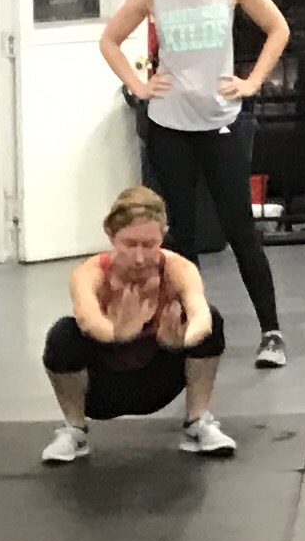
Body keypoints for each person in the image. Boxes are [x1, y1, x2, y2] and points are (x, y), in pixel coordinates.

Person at [98, 0, 292, 369]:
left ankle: (271, 332)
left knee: (239, 229)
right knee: (180, 234)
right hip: (170, 125)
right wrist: (139, 86)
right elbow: (110, 40)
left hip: (220, 122)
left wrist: (251, 82)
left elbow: (278, 29)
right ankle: (191, 327)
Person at [39, 186, 233, 463]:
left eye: (149, 244)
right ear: (110, 235)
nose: (140, 257)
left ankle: (197, 421)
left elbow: (200, 315)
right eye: (130, 244)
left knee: (213, 320)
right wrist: (118, 334)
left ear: (162, 236)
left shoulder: (178, 268)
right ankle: (74, 430)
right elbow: (88, 320)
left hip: (158, 383)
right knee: (63, 335)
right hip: (101, 391)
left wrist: (180, 342)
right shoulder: (89, 273)